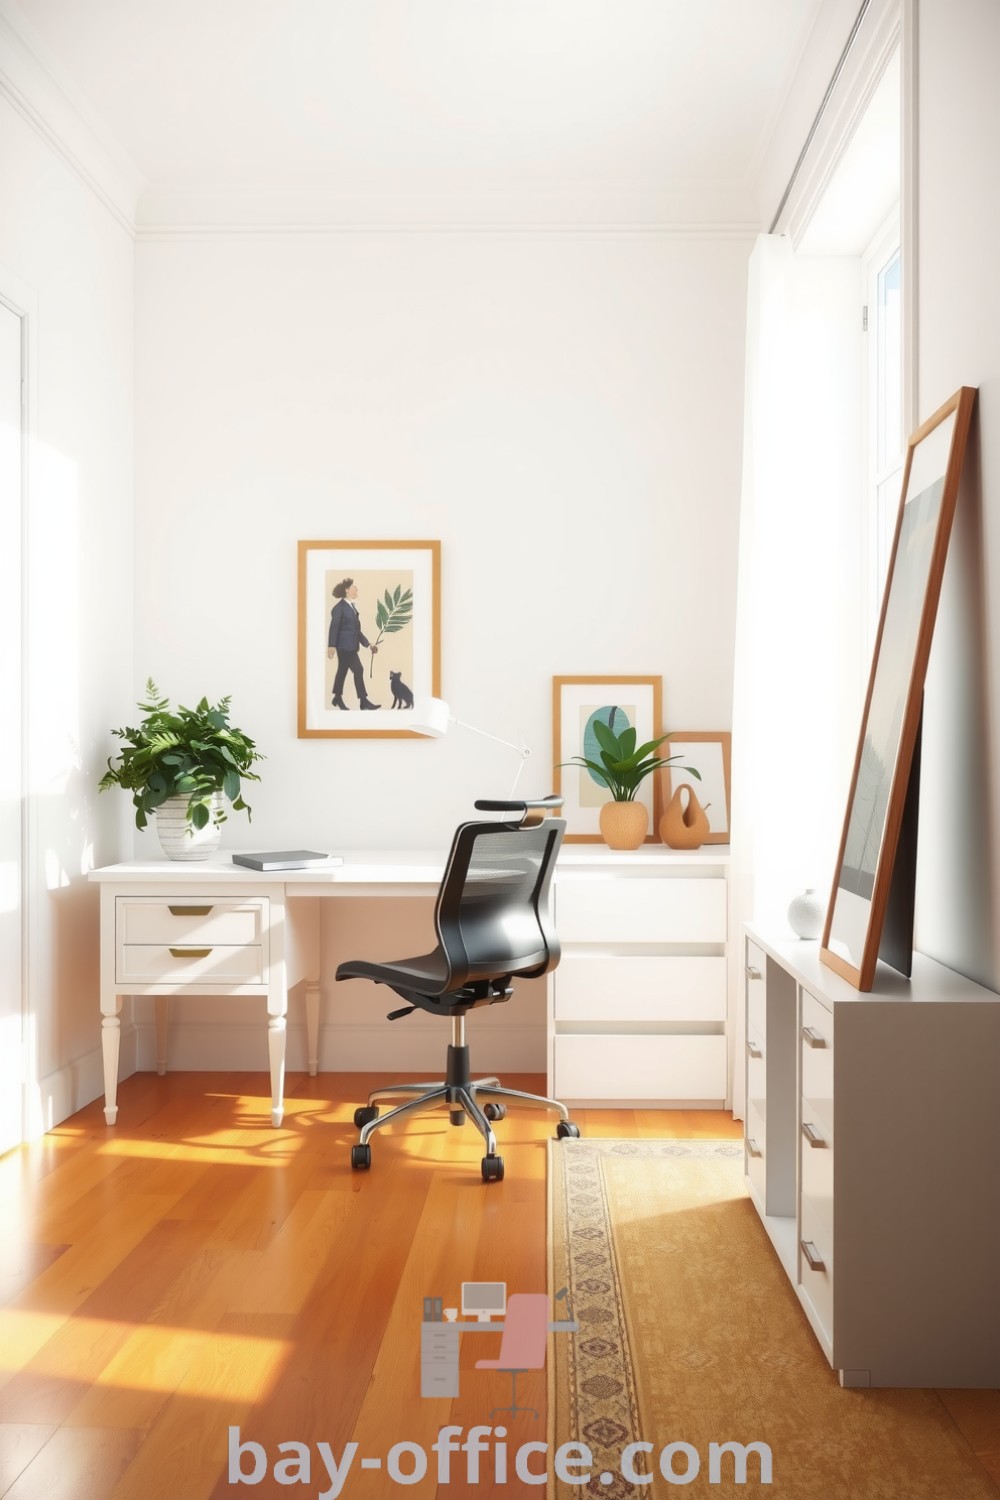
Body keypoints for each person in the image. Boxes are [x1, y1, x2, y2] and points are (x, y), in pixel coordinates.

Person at [327, 578, 380, 709]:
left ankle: (337, 698)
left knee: (342, 671)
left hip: (351, 647)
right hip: (344, 647)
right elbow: (334, 627)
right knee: (357, 670)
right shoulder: (339, 608)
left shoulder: (352, 608)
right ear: (347, 590)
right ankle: (363, 701)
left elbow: (357, 631)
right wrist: (331, 645)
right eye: (354, 587)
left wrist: (369, 645)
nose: (356, 589)